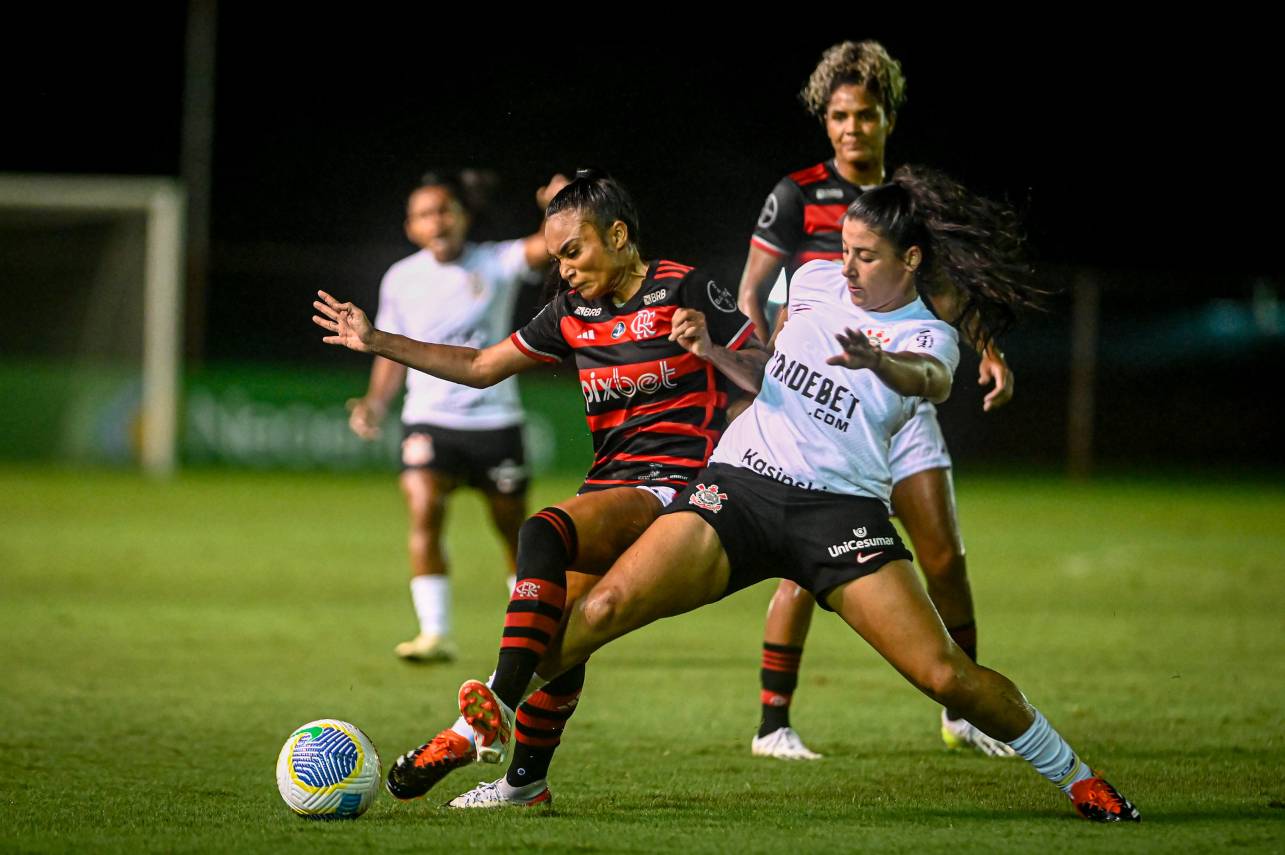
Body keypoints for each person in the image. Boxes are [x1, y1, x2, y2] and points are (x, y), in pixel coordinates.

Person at [436, 166, 1140, 823]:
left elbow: (926, 379)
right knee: (602, 607)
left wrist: (880, 360)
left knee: (945, 675)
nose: (847, 265)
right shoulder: (809, 279)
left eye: (865, 254)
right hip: (738, 486)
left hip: (839, 513)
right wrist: (713, 353)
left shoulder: (930, 333)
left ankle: (1075, 772)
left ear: (911, 259)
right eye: (845, 248)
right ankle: (478, 727)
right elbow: (766, 363)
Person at [312, 169, 762, 806]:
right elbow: (477, 367)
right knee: (556, 636)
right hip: (614, 482)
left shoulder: (683, 286)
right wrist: (376, 340)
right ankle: (524, 784)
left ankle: (485, 714)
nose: (565, 269)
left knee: (541, 529)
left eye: (574, 252)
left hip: (682, 486)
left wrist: (712, 348)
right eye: (555, 259)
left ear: (619, 234)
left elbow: (769, 370)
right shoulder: (571, 313)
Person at [737, 39, 1018, 761]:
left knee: (945, 558)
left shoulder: (913, 204)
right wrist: (763, 364)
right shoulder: (797, 194)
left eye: (864, 115)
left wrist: (986, 350)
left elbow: (953, 291)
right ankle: (774, 723)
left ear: (887, 117)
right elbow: (750, 293)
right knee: (806, 563)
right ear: (823, 120)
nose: (851, 129)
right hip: (820, 405)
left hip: (899, 402)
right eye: (838, 116)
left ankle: (962, 710)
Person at [348, 170, 567, 663]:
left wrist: (558, 205)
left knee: (514, 531)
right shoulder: (401, 278)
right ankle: (435, 632)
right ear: (411, 227)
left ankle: (531, 633)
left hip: (494, 421)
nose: (437, 220)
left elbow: (550, 245)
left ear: (464, 216)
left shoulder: (495, 261)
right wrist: (375, 404)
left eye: (445, 209)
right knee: (424, 508)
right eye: (425, 214)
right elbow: (389, 350)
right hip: (429, 418)